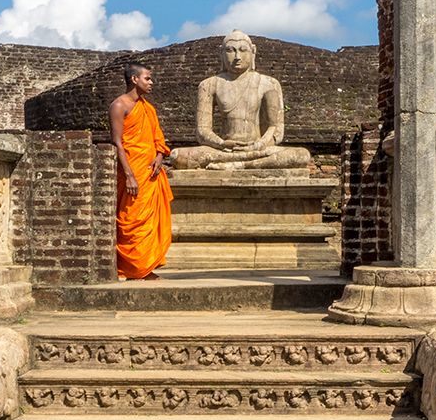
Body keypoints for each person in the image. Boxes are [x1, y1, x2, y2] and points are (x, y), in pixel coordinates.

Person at [170, 30, 310, 171]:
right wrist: (223, 143)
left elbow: (276, 128)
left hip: (257, 149)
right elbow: (202, 131)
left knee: (301, 155)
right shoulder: (209, 85)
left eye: (243, 50)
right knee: (177, 156)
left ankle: (240, 165)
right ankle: (238, 163)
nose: (237, 57)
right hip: (223, 151)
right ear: (222, 53)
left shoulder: (268, 84)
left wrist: (258, 145)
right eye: (231, 51)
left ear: (253, 52)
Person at [110, 62, 173, 280]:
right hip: (132, 170)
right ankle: (134, 269)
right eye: (147, 78)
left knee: (149, 222)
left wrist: (159, 155)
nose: (151, 82)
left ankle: (145, 269)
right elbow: (117, 143)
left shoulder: (148, 108)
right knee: (132, 220)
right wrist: (129, 175)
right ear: (134, 79)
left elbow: (157, 138)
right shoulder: (120, 105)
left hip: (150, 173)